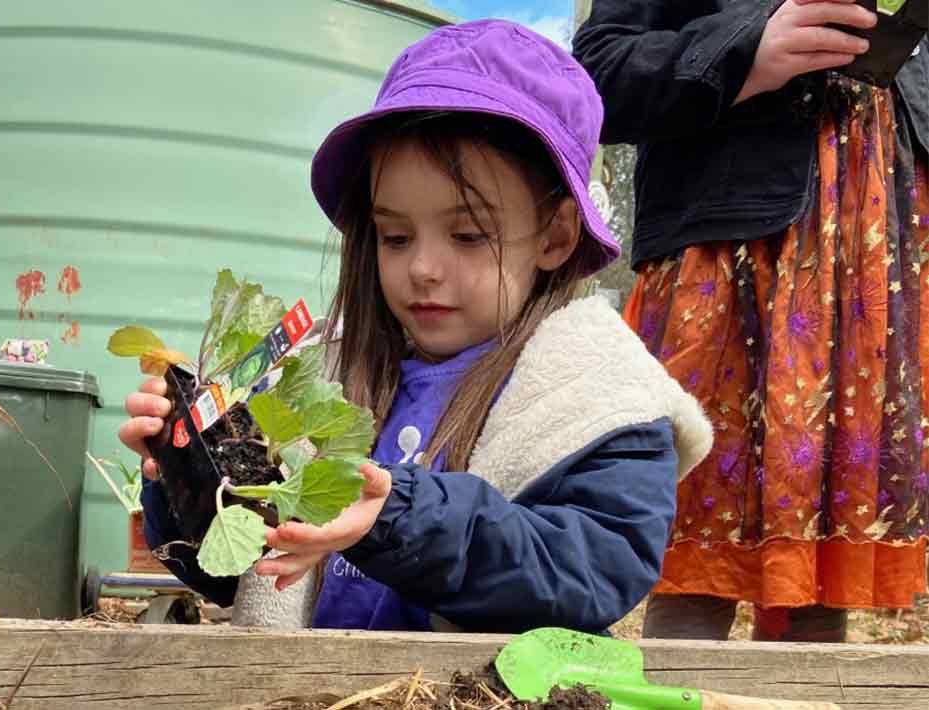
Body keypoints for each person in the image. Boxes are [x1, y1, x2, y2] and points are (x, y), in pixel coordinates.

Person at [118, 19, 714, 632]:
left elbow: (593, 571)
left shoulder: (596, 397)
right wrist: (184, 481)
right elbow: (234, 574)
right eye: (395, 236)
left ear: (556, 235)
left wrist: (399, 516)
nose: (423, 268)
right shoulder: (324, 376)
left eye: (467, 234)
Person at [574, 0, 929, 641]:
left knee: (823, 564)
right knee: (694, 547)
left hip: (874, 263)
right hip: (725, 248)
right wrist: (744, 52)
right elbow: (596, 73)